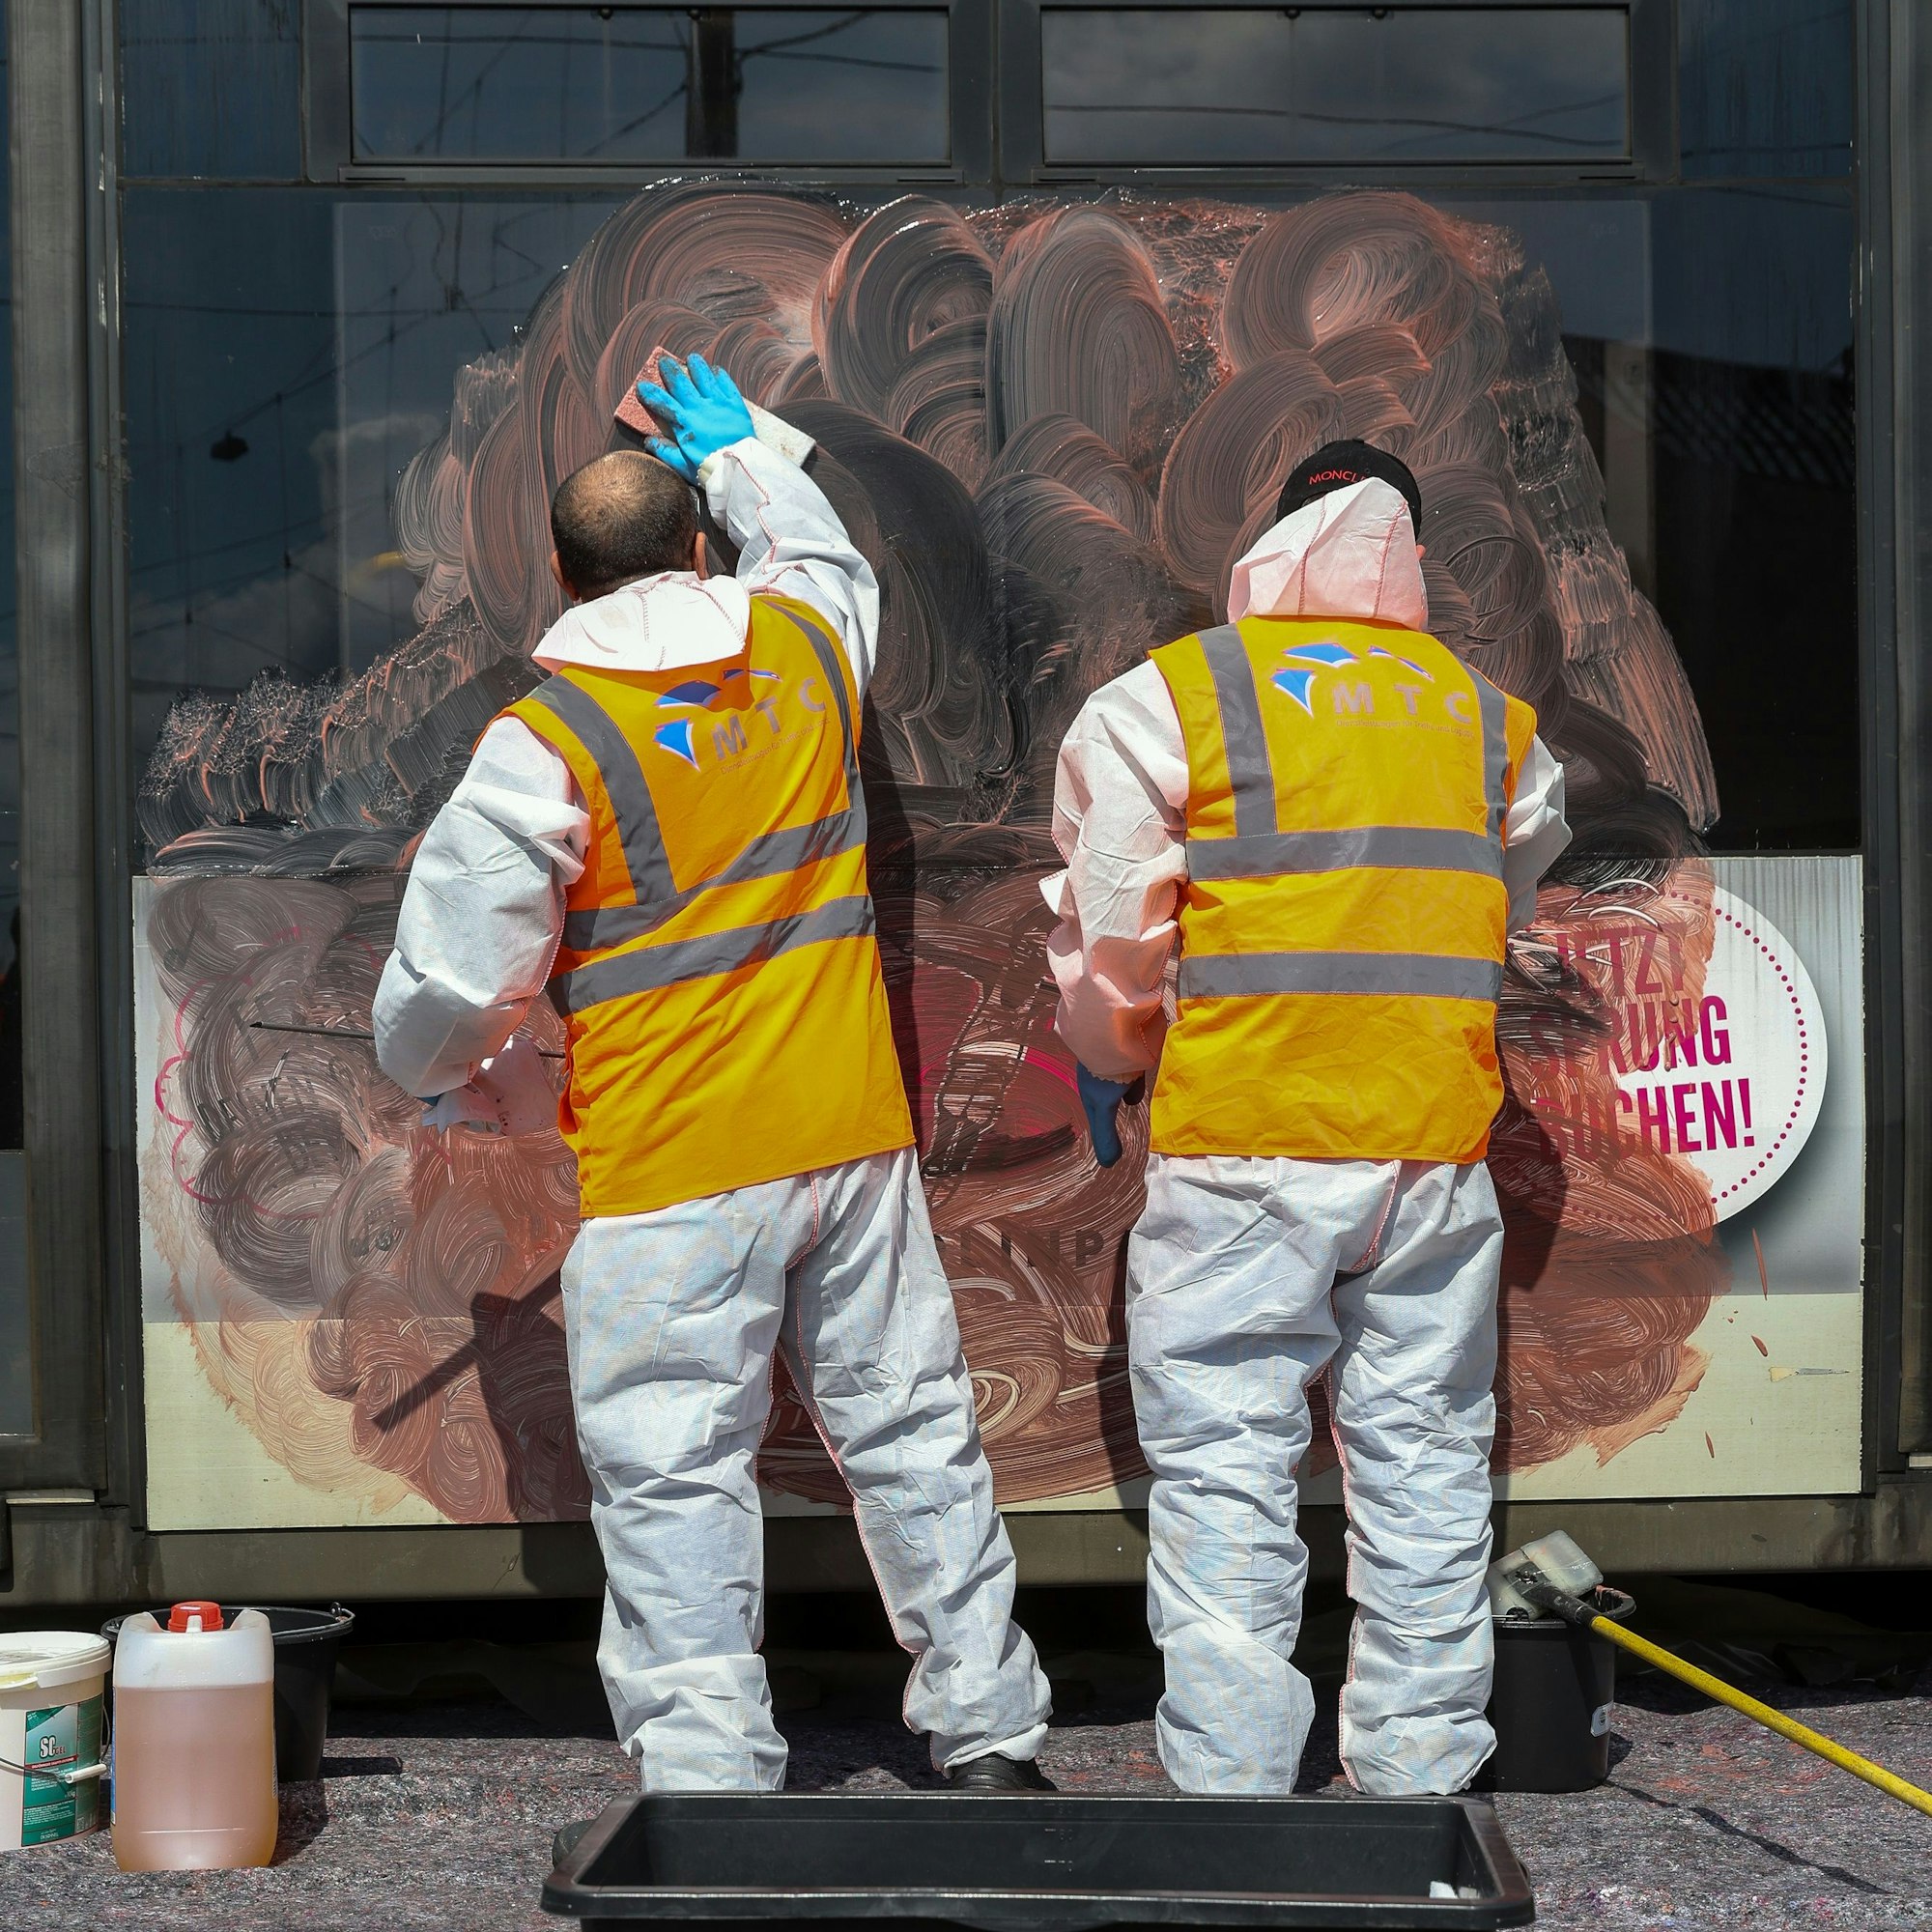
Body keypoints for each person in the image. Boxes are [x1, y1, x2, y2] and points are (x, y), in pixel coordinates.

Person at [374, 355, 1052, 1793]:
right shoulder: (807, 648)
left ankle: (712, 1784)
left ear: (563, 577)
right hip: (846, 1140)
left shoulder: (543, 745)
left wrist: (445, 1072)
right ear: (696, 548)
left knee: (676, 1479)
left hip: (675, 1171)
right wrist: (746, 452)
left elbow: (446, 988)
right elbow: (821, 554)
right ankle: (991, 1738)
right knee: (917, 1437)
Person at [1043, 440, 1570, 1797]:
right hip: (1431, 1150)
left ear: (1277, 535)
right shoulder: (1487, 718)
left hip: (1245, 1148)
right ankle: (1418, 1778)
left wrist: (1109, 1052)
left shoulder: (1176, 699)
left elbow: (1116, 928)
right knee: (1427, 1466)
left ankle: (1234, 1785)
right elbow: (1493, 886)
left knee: (1225, 1465)